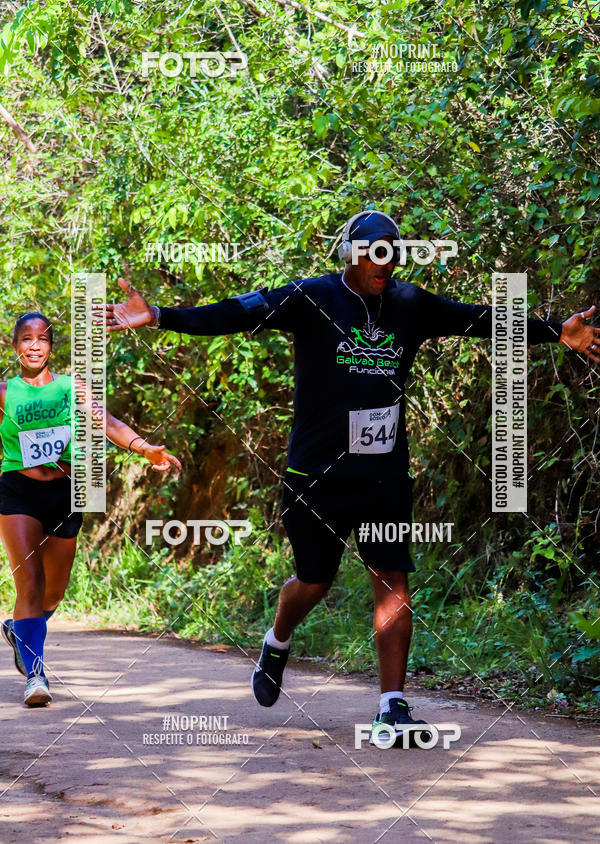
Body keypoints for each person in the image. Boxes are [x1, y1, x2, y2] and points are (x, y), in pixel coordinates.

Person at [99, 210, 599, 746]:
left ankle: (392, 706)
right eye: (375, 249)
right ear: (351, 254)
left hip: (382, 475)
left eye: (395, 249)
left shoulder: (409, 305)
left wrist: (556, 332)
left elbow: (478, 319)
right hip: (314, 476)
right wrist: (159, 316)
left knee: (392, 581)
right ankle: (277, 639)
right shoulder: (313, 297)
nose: (387, 259)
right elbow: (239, 312)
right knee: (313, 581)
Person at [0, 312, 181, 706]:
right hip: (17, 492)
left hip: (65, 493)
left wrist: (144, 447)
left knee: (54, 592)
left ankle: (21, 629)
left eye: (42, 339)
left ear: (51, 346)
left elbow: (107, 422)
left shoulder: (70, 387)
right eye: (26, 338)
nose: (34, 345)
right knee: (29, 582)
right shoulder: (3, 392)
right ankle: (35, 675)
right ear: (15, 346)